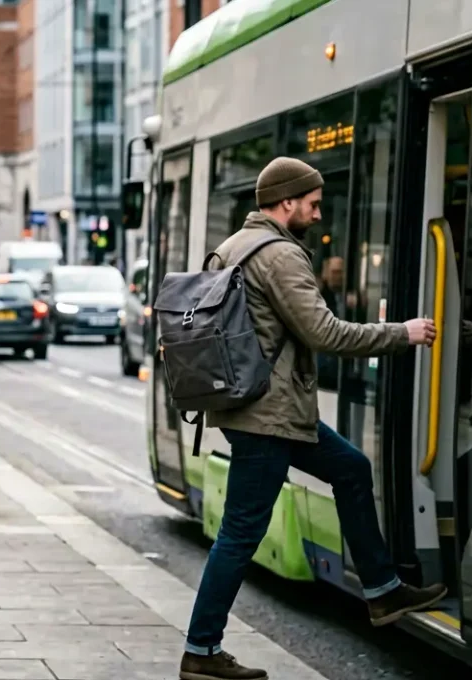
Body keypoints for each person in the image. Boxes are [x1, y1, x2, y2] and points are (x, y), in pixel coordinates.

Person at [179, 157, 445, 680]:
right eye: (313, 204)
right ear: (287, 203)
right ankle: (201, 651)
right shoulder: (279, 255)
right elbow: (326, 333)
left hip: (258, 409)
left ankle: (383, 592)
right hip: (268, 417)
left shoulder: (233, 245)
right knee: (239, 535)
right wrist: (402, 334)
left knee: (350, 467)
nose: (319, 214)